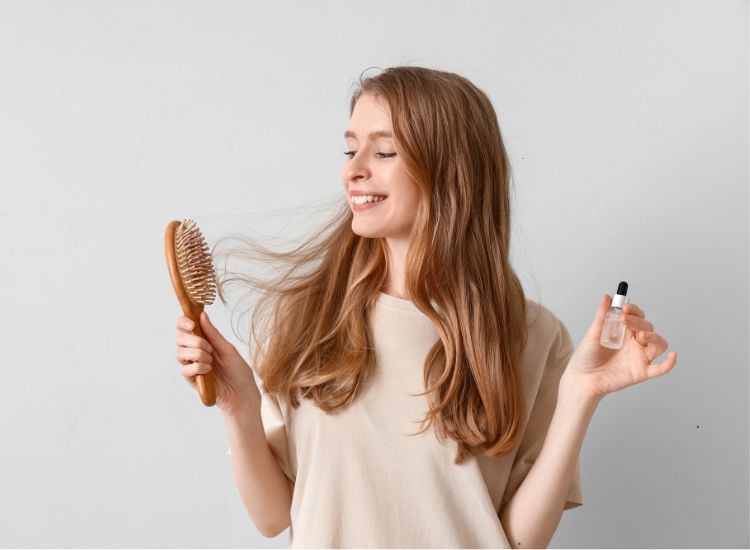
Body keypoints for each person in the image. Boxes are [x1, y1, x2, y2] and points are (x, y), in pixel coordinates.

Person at [173, 66, 678, 548]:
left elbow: (519, 540)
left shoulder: (533, 334)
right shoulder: (310, 320)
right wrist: (239, 408)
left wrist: (579, 397)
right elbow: (273, 518)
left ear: (450, 172)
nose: (354, 169)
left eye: (385, 151)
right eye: (350, 149)